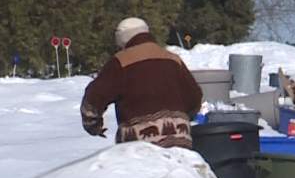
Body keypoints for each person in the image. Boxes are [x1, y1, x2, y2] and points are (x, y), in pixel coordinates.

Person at [80, 17, 203, 148]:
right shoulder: (173, 59)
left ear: (121, 37)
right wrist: (183, 119)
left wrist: (93, 125)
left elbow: (94, 98)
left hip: (139, 145)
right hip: (180, 140)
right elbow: (194, 97)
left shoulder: (120, 62)